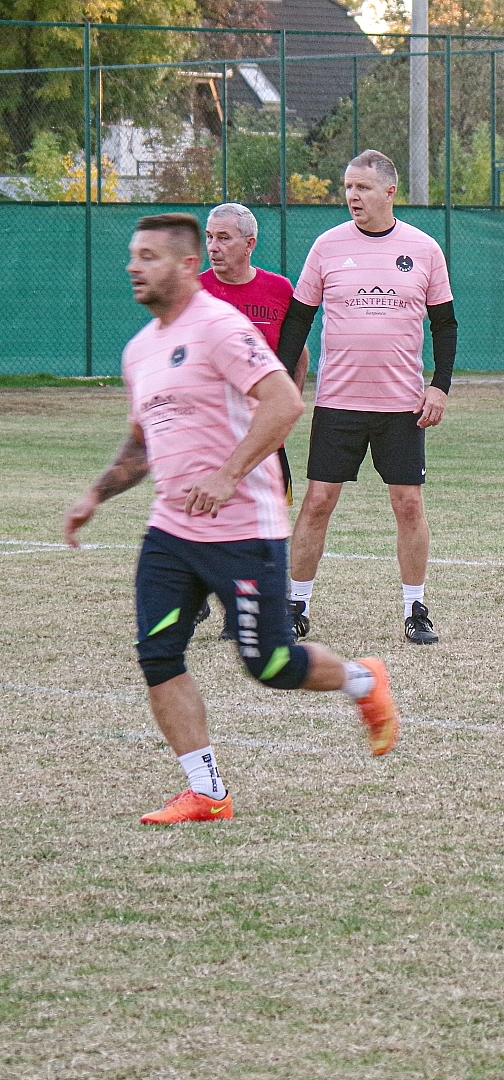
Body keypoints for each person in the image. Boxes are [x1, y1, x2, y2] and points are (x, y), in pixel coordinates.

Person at [62, 213, 400, 826]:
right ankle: (207, 792)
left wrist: (228, 475)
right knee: (158, 654)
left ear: (188, 265)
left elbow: (284, 402)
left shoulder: (220, 327)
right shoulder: (139, 350)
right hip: (171, 531)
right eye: (133, 256)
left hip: (243, 529)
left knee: (271, 664)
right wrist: (95, 495)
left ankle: (361, 680)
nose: (134, 267)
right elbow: (141, 445)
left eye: (150, 257)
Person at [274, 150, 458, 645]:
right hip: (338, 403)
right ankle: (296, 605)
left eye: (362, 187)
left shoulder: (424, 249)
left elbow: (444, 324)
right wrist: (279, 380)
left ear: (389, 192)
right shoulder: (327, 246)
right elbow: (299, 318)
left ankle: (415, 608)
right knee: (317, 501)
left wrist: (439, 385)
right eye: (348, 187)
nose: (352, 196)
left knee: (408, 505)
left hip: (401, 406)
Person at [189, 202, 310, 638]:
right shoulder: (195, 291)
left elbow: (298, 355)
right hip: (210, 430)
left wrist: (286, 408)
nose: (213, 247)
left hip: (261, 432)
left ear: (249, 244)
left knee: (261, 523)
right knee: (203, 515)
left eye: (223, 238)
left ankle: (247, 607)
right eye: (209, 237)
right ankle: (200, 598)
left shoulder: (279, 289)